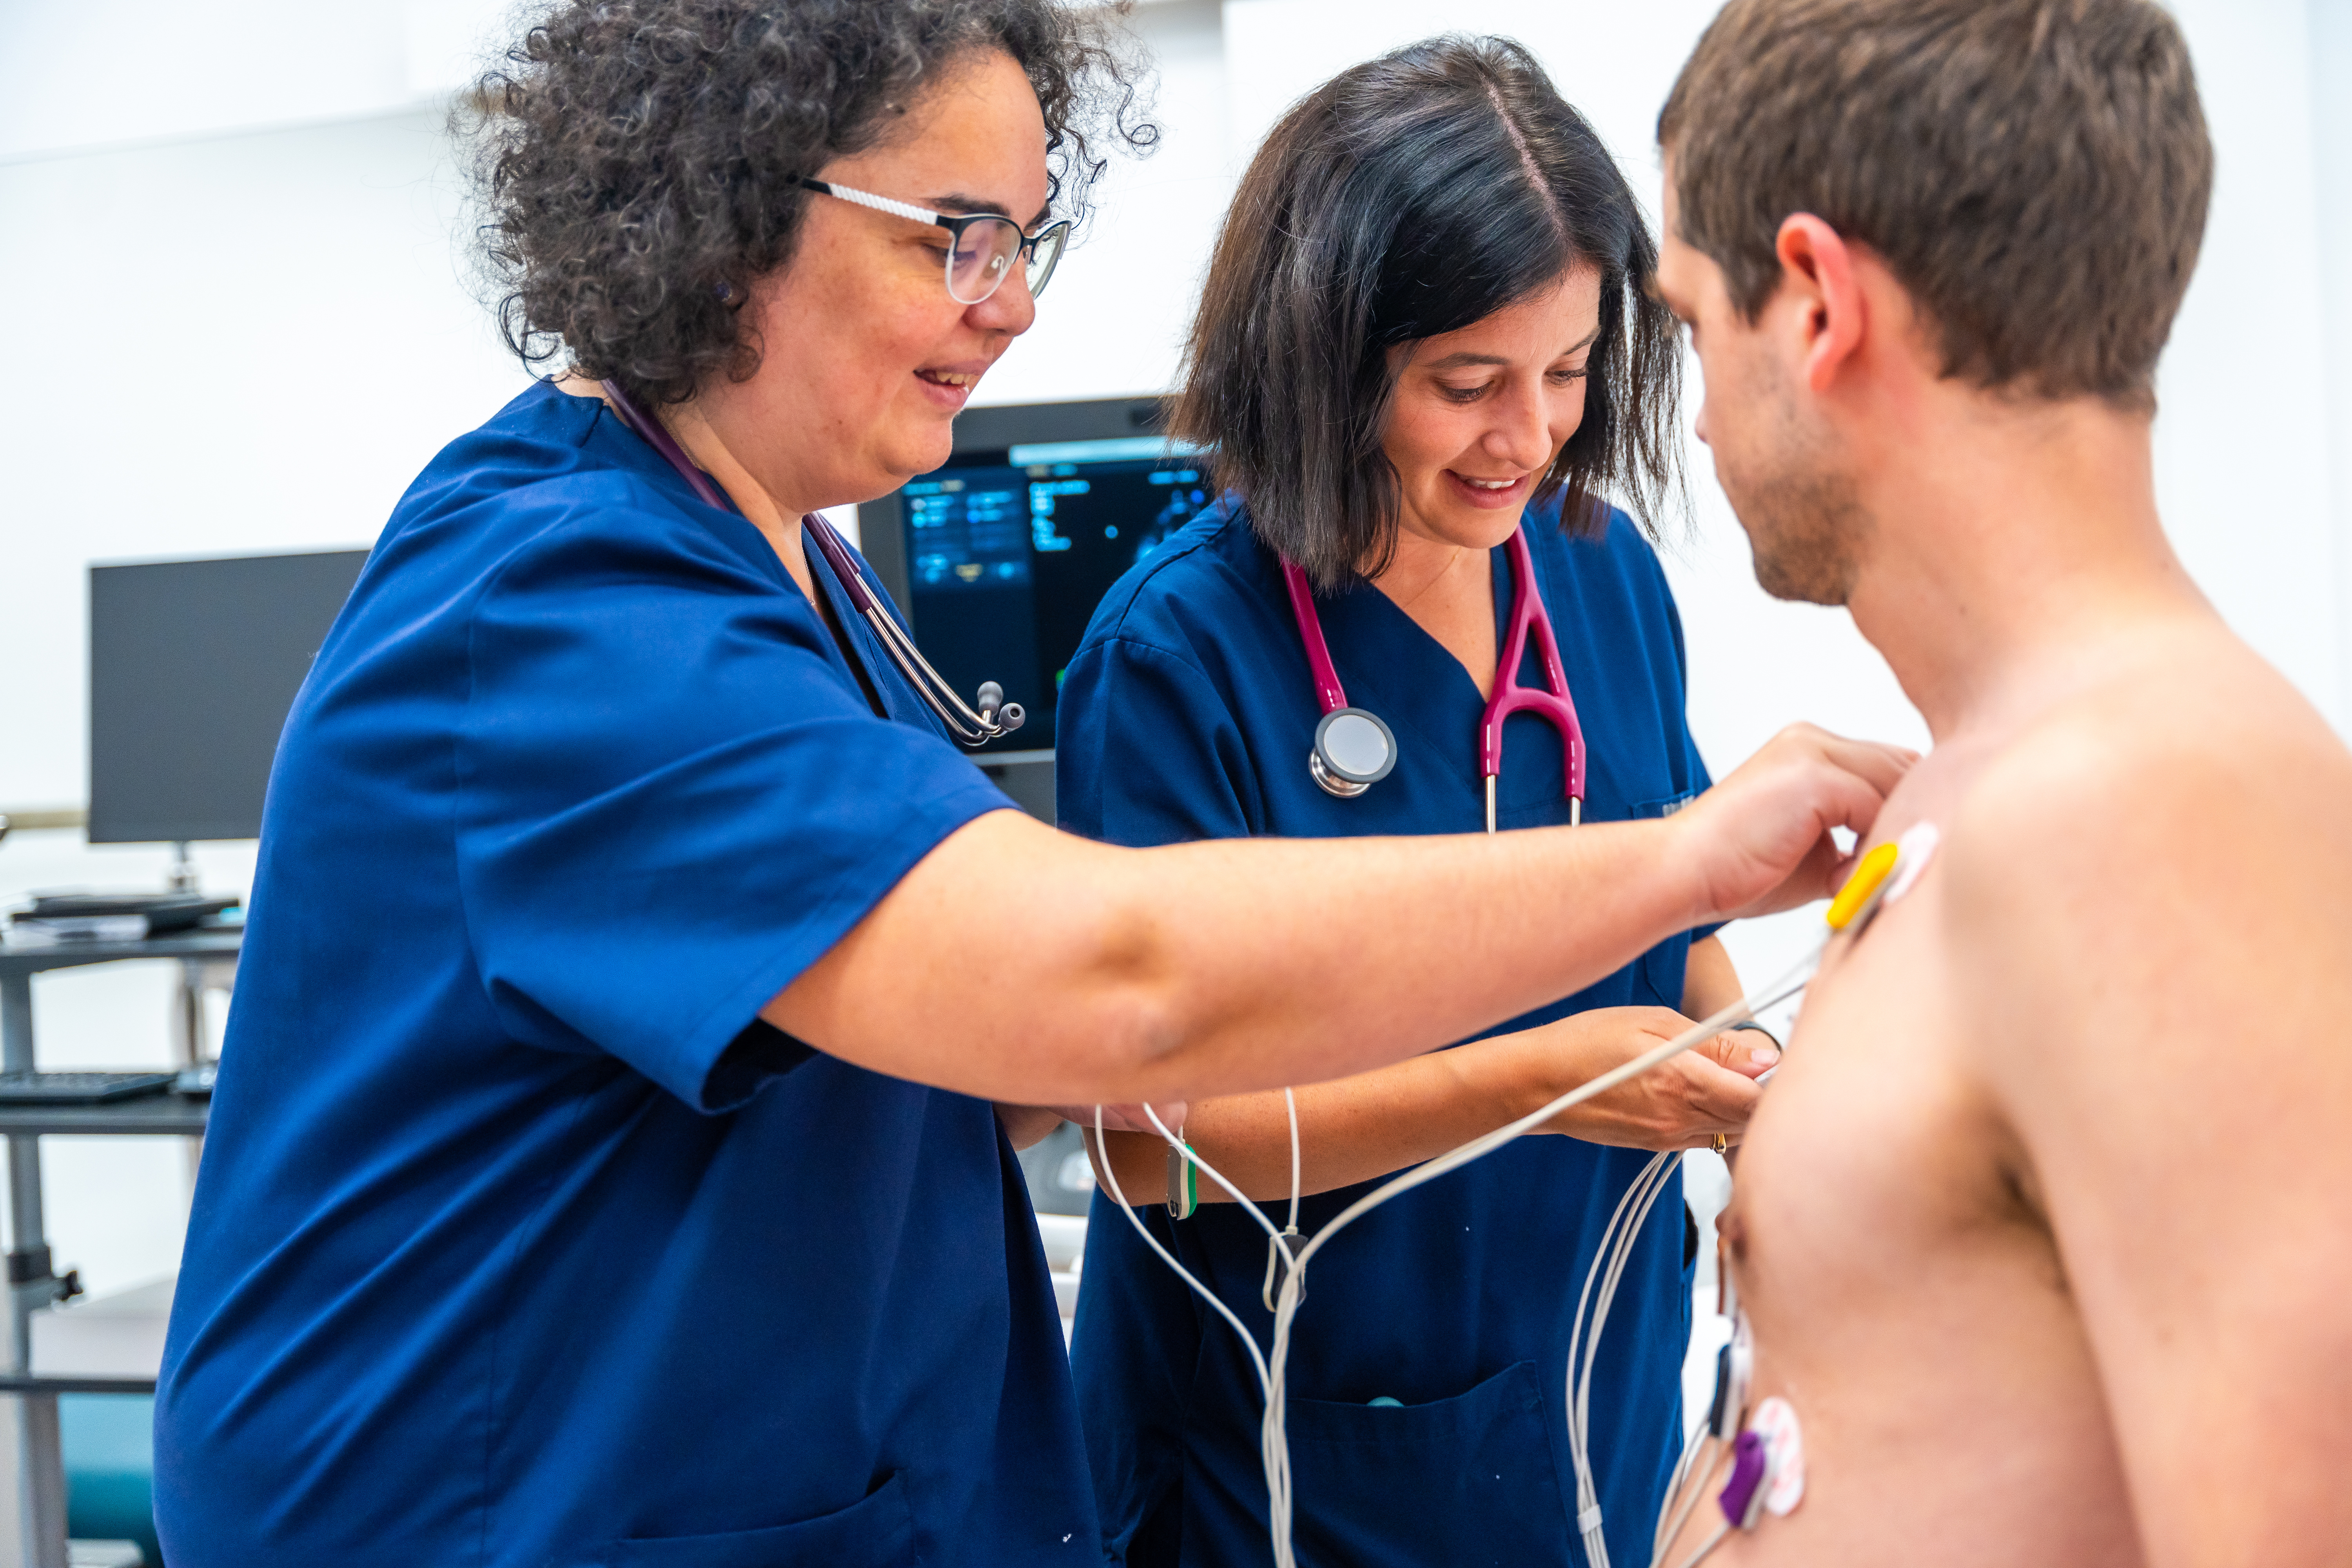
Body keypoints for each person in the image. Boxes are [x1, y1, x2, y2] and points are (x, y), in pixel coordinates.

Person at [151, 4, 1908, 1564]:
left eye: (1027, 232)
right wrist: (1678, 868)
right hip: (504, 1506)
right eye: (957, 236)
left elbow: (944, 1089)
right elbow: (1104, 995)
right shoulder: (557, 619)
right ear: (723, 206)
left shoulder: (801, 583)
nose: (1017, 299)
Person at [1646, 1, 2352, 1564]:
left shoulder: (2157, 819)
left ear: (1818, 303)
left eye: (1693, 320)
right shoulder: (1978, 789)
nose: (1691, 410)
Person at [1062, 38, 1777, 1568]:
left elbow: (1679, 901)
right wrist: (1549, 1081)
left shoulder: (1600, 576)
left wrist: (1770, 1097)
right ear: (1332, 350)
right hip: (1292, 1456)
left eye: (1573, 372)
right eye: (1468, 384)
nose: (1528, 436)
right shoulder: (1180, 655)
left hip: (1587, 1389)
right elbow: (1147, 1146)